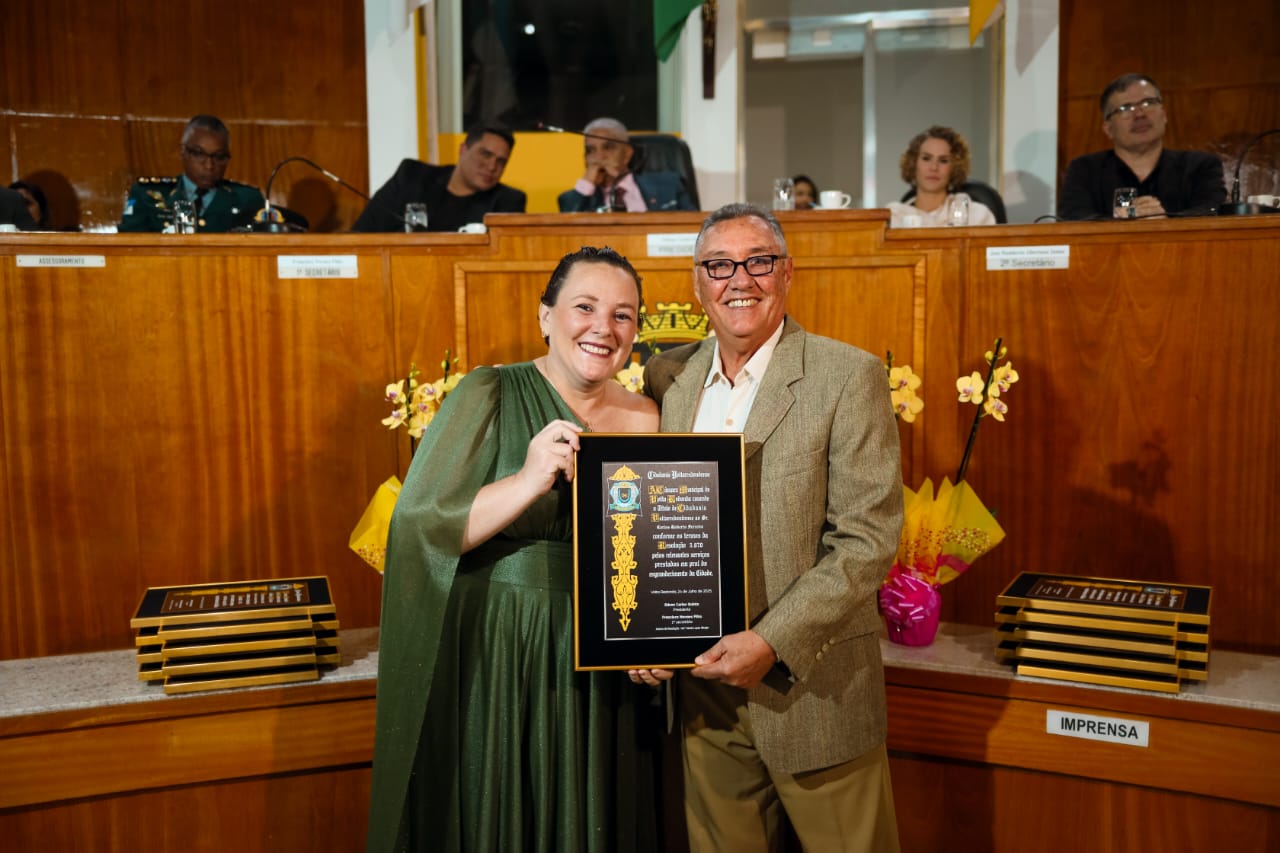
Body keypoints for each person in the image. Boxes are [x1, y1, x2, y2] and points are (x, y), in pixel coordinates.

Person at [366, 246, 662, 853]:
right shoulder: (490, 392)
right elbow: (421, 525)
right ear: (545, 315)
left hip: (604, 662)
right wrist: (529, 479)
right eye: (585, 307)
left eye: (623, 315)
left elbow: (654, 550)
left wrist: (656, 645)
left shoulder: (648, 417)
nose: (604, 328)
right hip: (501, 648)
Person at [634, 203, 905, 852]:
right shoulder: (668, 378)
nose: (739, 280)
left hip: (813, 687)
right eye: (719, 265)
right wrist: (640, 630)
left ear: (787, 272)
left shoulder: (848, 375)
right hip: (701, 691)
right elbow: (650, 518)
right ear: (697, 282)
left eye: (758, 262)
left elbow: (867, 540)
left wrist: (771, 640)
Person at [1057, 73, 1226, 220]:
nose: (1139, 114)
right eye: (1125, 108)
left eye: (1148, 103)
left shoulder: (1200, 166)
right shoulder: (1085, 170)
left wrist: (1164, 220)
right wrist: (1126, 218)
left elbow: (1213, 212)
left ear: (1164, 114)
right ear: (1108, 128)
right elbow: (1073, 219)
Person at [352, 122, 526, 232]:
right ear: (463, 150)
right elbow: (364, 231)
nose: (492, 166)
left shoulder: (508, 202)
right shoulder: (412, 176)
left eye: (501, 161)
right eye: (485, 154)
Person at [118, 115, 264, 232]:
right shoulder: (147, 195)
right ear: (183, 152)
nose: (209, 165)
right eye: (199, 154)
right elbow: (128, 247)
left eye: (219, 157)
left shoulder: (247, 200)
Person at [558, 118, 697, 213]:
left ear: (627, 154)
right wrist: (587, 183)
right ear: (585, 158)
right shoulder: (579, 198)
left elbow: (695, 228)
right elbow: (565, 231)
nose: (599, 157)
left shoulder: (669, 184)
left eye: (608, 147)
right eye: (590, 150)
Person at [888, 126, 997, 227]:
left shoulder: (977, 215)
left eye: (943, 160)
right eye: (926, 158)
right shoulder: (893, 216)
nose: (934, 167)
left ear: (954, 167)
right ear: (913, 163)